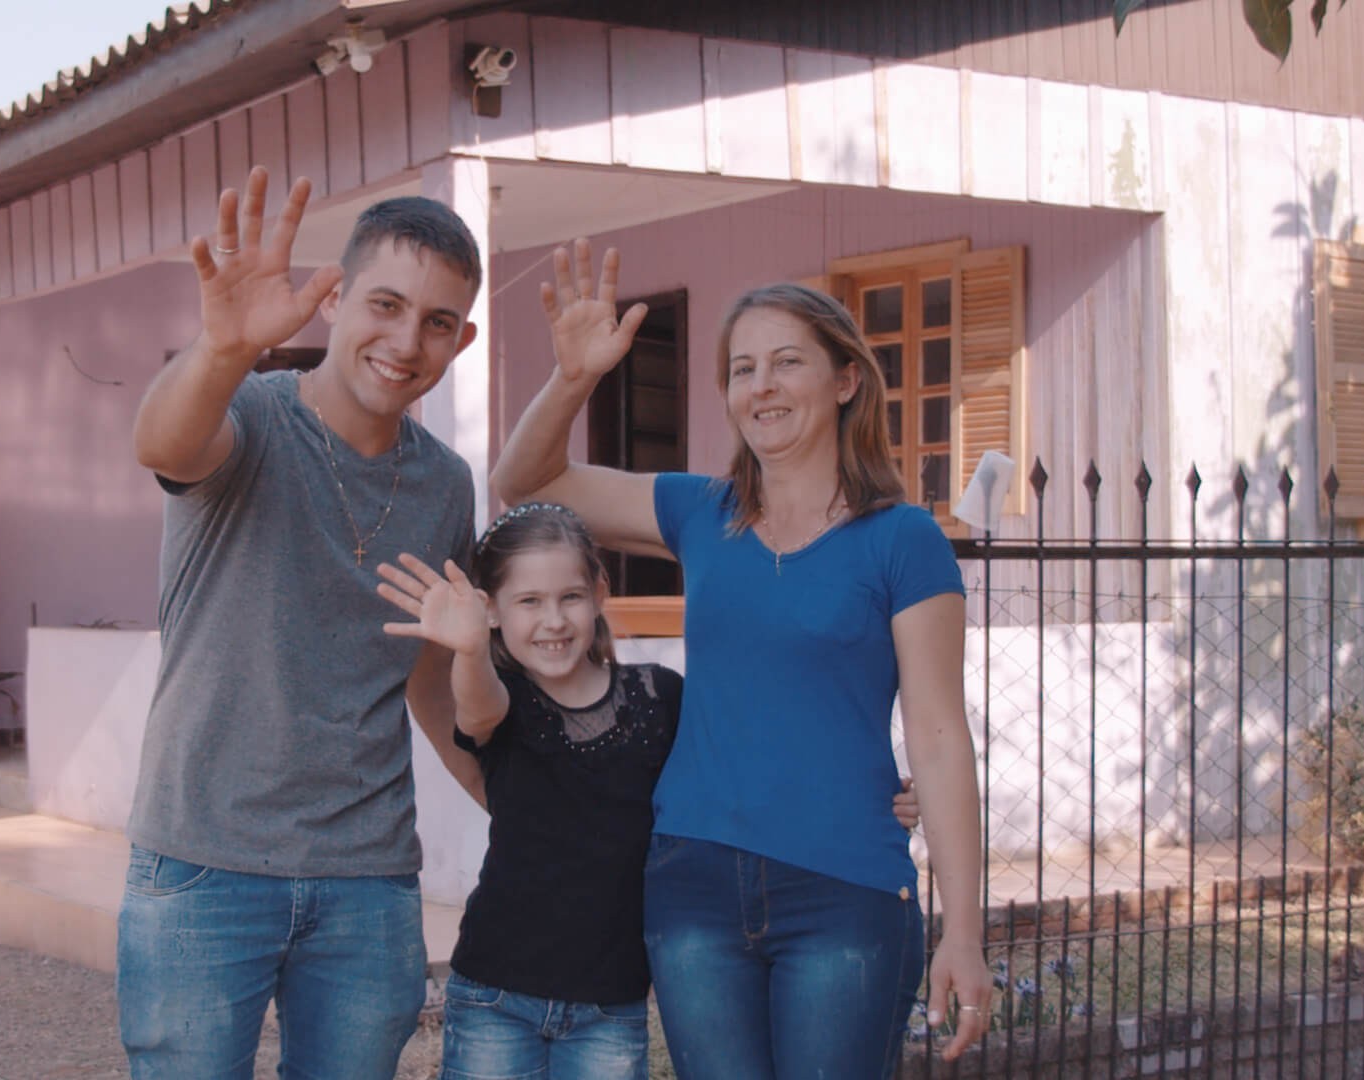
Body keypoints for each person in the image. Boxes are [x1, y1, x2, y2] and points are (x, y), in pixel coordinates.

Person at [489, 241, 994, 1078]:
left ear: (845, 381)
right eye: (742, 368)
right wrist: (575, 375)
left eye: (787, 362)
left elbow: (940, 735)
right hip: (694, 887)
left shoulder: (904, 540)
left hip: (847, 891)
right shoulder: (701, 510)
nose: (759, 386)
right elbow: (523, 480)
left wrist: (966, 933)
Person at [121, 166, 489, 1079]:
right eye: (387, 304)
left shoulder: (445, 483)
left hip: (367, 881)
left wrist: (531, 806)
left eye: (438, 322)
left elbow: (427, 680)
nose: (406, 340)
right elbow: (162, 444)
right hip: (205, 863)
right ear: (334, 299)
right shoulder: (246, 415)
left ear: (462, 339)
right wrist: (221, 352)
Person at [374, 503, 923, 1080]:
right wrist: (468, 650)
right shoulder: (504, 698)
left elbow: (741, 761)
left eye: (570, 597)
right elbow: (478, 706)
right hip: (495, 997)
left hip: (610, 1008)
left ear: (600, 592)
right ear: (492, 610)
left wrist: (874, 793)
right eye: (529, 602)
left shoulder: (660, 697)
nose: (553, 620)